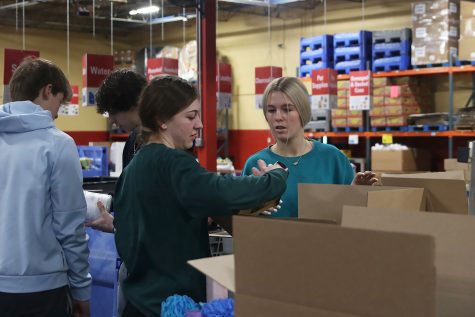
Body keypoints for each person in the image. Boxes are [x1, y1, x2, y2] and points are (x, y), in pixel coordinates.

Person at [113, 75, 288, 317]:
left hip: (137, 304)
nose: (200, 125)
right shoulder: (173, 163)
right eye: (191, 116)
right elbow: (223, 191)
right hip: (171, 307)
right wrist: (276, 176)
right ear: (162, 120)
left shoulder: (133, 168)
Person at [0, 57, 91, 316]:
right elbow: (69, 227)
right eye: (59, 105)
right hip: (42, 289)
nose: (56, 115)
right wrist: (82, 289)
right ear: (47, 90)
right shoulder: (58, 144)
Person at [243, 77, 377, 218]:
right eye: (271, 110)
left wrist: (357, 194)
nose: (278, 117)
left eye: (287, 109)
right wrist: (253, 208)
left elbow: (352, 218)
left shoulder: (333, 159)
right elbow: (242, 223)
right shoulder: (255, 165)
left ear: (303, 111)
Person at [86, 69, 147, 233]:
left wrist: (117, 226)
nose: (112, 121)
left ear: (134, 104)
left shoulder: (168, 146)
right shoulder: (132, 140)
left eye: (114, 112)